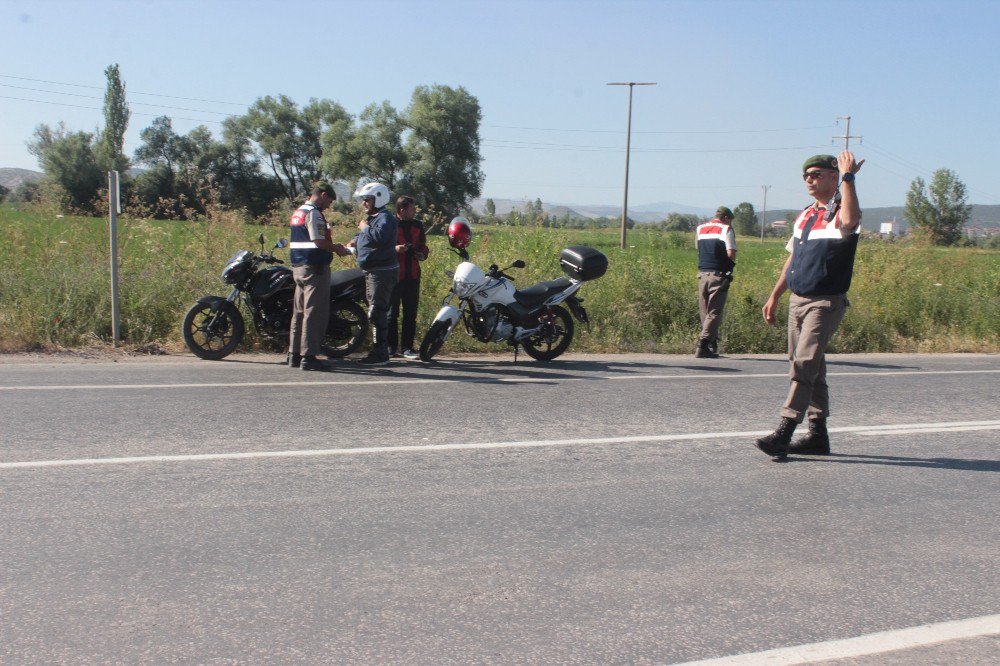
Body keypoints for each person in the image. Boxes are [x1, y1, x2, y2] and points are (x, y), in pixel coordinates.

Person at [756, 151, 864, 458]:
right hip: (798, 299)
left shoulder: (843, 210)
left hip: (825, 301)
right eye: (806, 175)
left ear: (834, 176)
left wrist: (849, 178)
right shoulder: (805, 215)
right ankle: (818, 434)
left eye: (816, 174)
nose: (809, 179)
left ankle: (785, 430)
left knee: (804, 363)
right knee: (807, 367)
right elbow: (793, 259)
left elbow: (851, 221)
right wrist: (775, 295)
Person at [287, 181, 350, 371]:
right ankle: (309, 356)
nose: (329, 205)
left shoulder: (298, 212)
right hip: (314, 268)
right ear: (322, 195)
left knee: (298, 313)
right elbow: (319, 241)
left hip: (298, 267)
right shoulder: (313, 214)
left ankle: (294, 354)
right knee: (314, 313)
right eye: (329, 200)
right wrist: (337, 248)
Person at [349, 182, 399, 366]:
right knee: (376, 311)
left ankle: (380, 354)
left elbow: (380, 236)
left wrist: (364, 228)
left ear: (378, 198)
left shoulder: (385, 218)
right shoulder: (373, 218)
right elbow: (366, 234)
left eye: (367, 200)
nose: (364, 204)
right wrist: (355, 240)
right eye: (363, 200)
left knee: (377, 312)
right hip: (373, 271)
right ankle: (379, 350)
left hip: (382, 272)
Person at [387, 195, 429, 359]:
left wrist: (422, 254)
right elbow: (382, 246)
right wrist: (395, 249)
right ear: (402, 210)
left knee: (410, 314)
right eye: (412, 209)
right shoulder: (390, 224)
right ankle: (391, 347)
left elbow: (424, 246)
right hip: (394, 276)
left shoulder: (418, 225)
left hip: (413, 276)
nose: (415, 211)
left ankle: (407, 348)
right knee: (392, 314)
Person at [695, 206, 737, 358]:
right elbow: (731, 252)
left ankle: (712, 343)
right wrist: (729, 267)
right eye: (730, 220)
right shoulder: (726, 230)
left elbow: (698, 249)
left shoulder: (700, 228)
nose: (731, 223)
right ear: (726, 217)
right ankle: (703, 344)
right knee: (714, 312)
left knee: (705, 311)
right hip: (719, 275)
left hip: (702, 274)